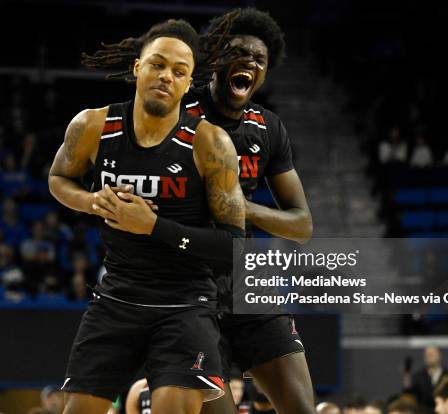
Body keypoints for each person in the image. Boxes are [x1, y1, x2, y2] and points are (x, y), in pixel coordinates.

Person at [111, 8, 314, 414]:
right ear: (215, 59)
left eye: (260, 59)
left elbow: (302, 225)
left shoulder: (268, 128)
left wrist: (242, 207)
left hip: (245, 283)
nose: (250, 62)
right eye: (239, 52)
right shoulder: (178, 117)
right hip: (186, 289)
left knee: (303, 409)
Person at [48, 17, 244, 414]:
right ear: (137, 67)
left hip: (185, 302)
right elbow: (58, 178)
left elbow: (233, 247)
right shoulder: (93, 126)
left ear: (189, 84)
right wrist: (91, 201)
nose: (166, 76)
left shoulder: (210, 144)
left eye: (179, 71)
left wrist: (155, 227)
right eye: (157, 64)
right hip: (117, 295)